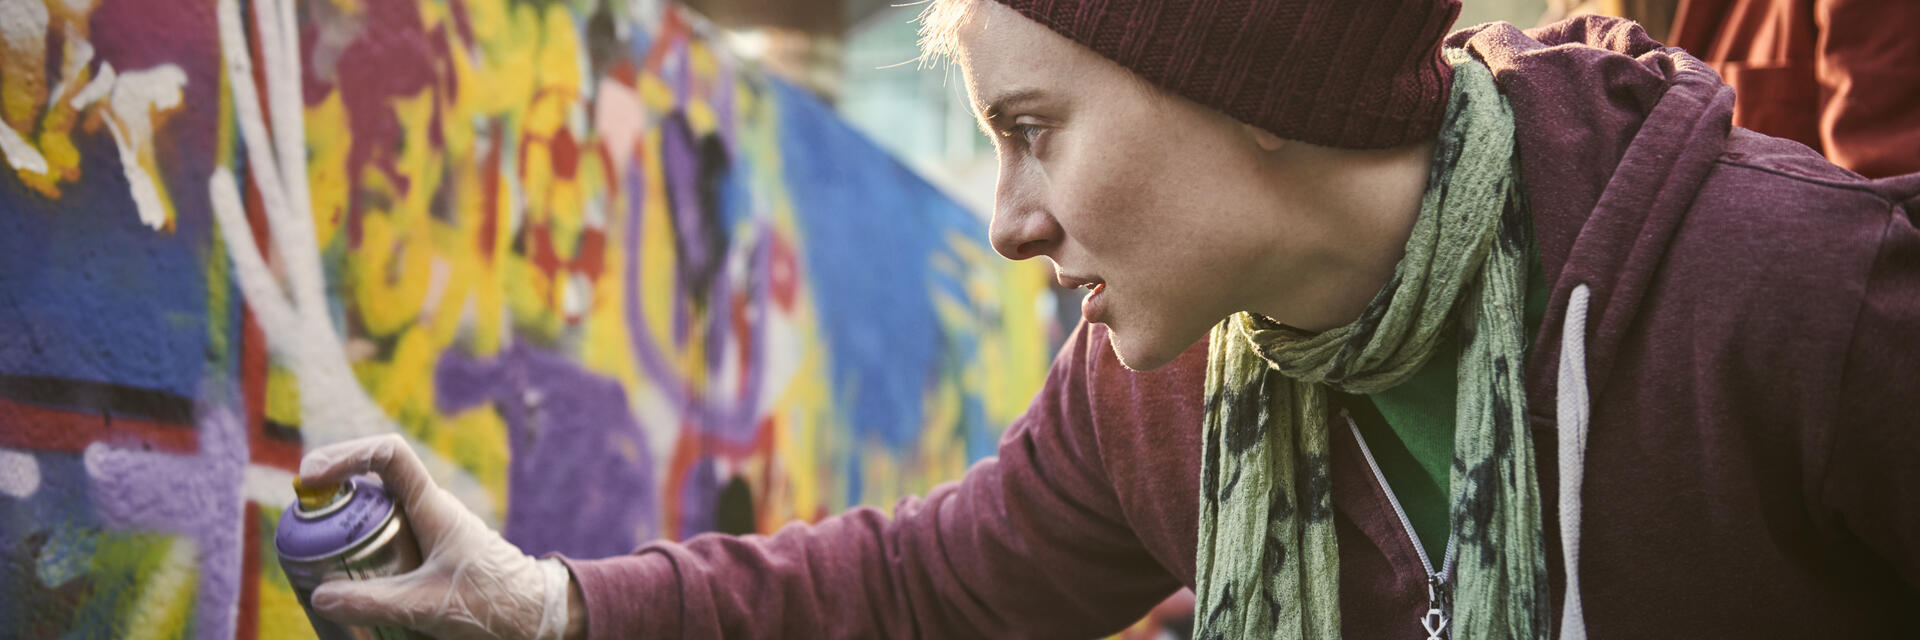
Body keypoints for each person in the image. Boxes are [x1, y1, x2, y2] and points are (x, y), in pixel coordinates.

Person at [295, 0, 1920, 638]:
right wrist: (547, 608)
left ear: (1248, 84)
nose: (1007, 221)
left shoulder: (1794, 301)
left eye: (1033, 131)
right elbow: (924, 585)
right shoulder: (1157, 392)